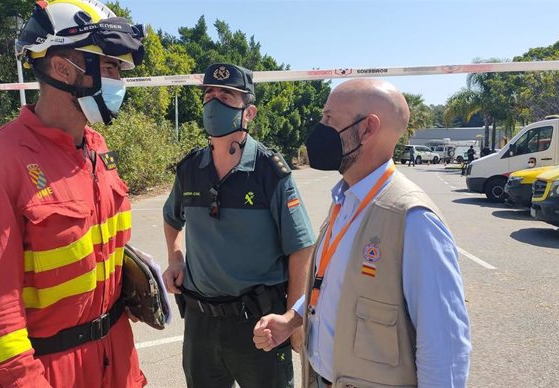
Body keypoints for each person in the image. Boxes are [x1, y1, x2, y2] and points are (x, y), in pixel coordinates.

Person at [0, 1, 147, 386]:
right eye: (108, 67)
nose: (118, 81)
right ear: (62, 67)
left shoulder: (96, 147)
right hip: (54, 373)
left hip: (118, 362)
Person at [253, 79, 471, 388]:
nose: (320, 128)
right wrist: (292, 319)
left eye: (329, 119)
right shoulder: (345, 199)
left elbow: (445, 346)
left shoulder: (413, 219)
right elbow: (332, 287)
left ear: (367, 128)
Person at [162, 63, 316, 388]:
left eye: (227, 95)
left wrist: (291, 321)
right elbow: (170, 217)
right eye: (209, 94)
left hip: (259, 324)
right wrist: (175, 257)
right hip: (200, 323)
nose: (214, 101)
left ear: (249, 112)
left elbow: (301, 248)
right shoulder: (190, 169)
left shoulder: (270, 173)